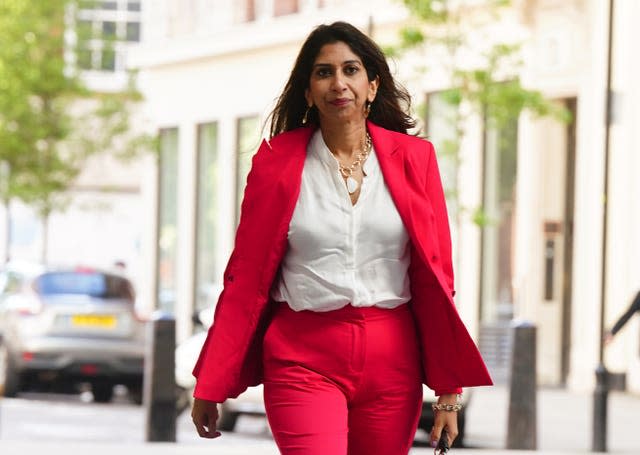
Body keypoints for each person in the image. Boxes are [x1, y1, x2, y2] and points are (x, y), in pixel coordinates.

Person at [191, 21, 492, 454]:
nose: (338, 83)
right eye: (323, 72)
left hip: (393, 360)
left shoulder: (415, 159)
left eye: (350, 70)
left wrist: (449, 391)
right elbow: (245, 277)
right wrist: (211, 380)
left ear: (372, 86)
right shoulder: (276, 162)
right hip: (302, 357)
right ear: (309, 91)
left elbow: (437, 277)